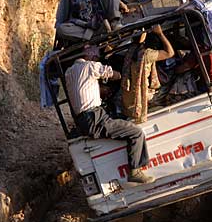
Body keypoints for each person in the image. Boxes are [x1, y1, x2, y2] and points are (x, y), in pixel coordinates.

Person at [65, 45, 154, 184]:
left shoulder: (69, 72)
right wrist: (121, 75)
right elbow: (113, 74)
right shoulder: (90, 66)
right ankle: (135, 171)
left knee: (122, 124)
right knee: (136, 132)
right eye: (96, 58)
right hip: (93, 117)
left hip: (84, 118)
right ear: (92, 57)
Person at [121, 24, 175, 124]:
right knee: (171, 83)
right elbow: (170, 53)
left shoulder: (132, 50)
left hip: (129, 98)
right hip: (142, 96)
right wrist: (160, 34)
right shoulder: (147, 54)